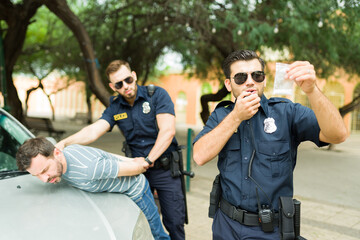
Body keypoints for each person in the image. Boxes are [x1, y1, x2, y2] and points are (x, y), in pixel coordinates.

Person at [193, 50, 348, 240]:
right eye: (241, 77)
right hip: (227, 226)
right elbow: (199, 156)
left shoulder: (286, 112)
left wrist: (311, 90)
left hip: (270, 230)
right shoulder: (222, 115)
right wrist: (236, 116)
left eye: (256, 76)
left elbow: (338, 135)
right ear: (228, 84)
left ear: (264, 80)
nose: (250, 81)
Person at [56, 60, 185, 239]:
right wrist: (64, 143)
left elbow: (168, 131)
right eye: (119, 84)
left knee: (174, 221)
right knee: (141, 221)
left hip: (164, 170)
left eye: (128, 80)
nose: (125, 86)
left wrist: (148, 160)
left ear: (134, 76)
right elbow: (93, 131)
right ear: (113, 87)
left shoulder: (156, 95)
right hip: (136, 172)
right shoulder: (116, 106)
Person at [16, 137, 170, 240]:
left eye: (44, 170)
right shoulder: (61, 160)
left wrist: (138, 163)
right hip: (116, 195)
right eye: (37, 175)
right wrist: (130, 160)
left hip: (136, 192)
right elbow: (105, 156)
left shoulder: (90, 168)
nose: (44, 179)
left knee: (155, 232)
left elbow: (137, 169)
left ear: (57, 153)